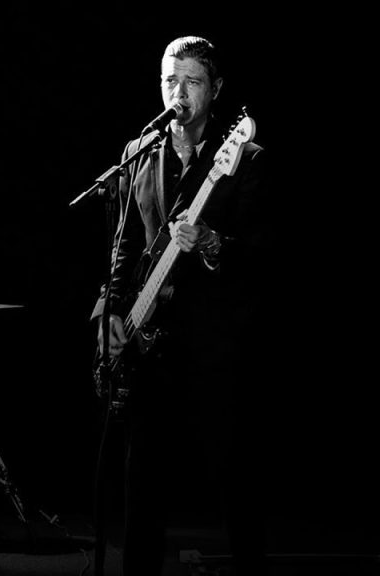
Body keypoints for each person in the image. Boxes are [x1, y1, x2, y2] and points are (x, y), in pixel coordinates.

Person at [91, 37, 269, 575]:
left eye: (192, 81)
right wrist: (110, 312)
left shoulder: (243, 157)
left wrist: (211, 242)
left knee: (234, 475)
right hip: (148, 339)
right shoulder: (140, 151)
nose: (179, 92)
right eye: (171, 80)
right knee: (141, 480)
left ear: (215, 89)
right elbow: (124, 244)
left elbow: (263, 254)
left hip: (214, 343)